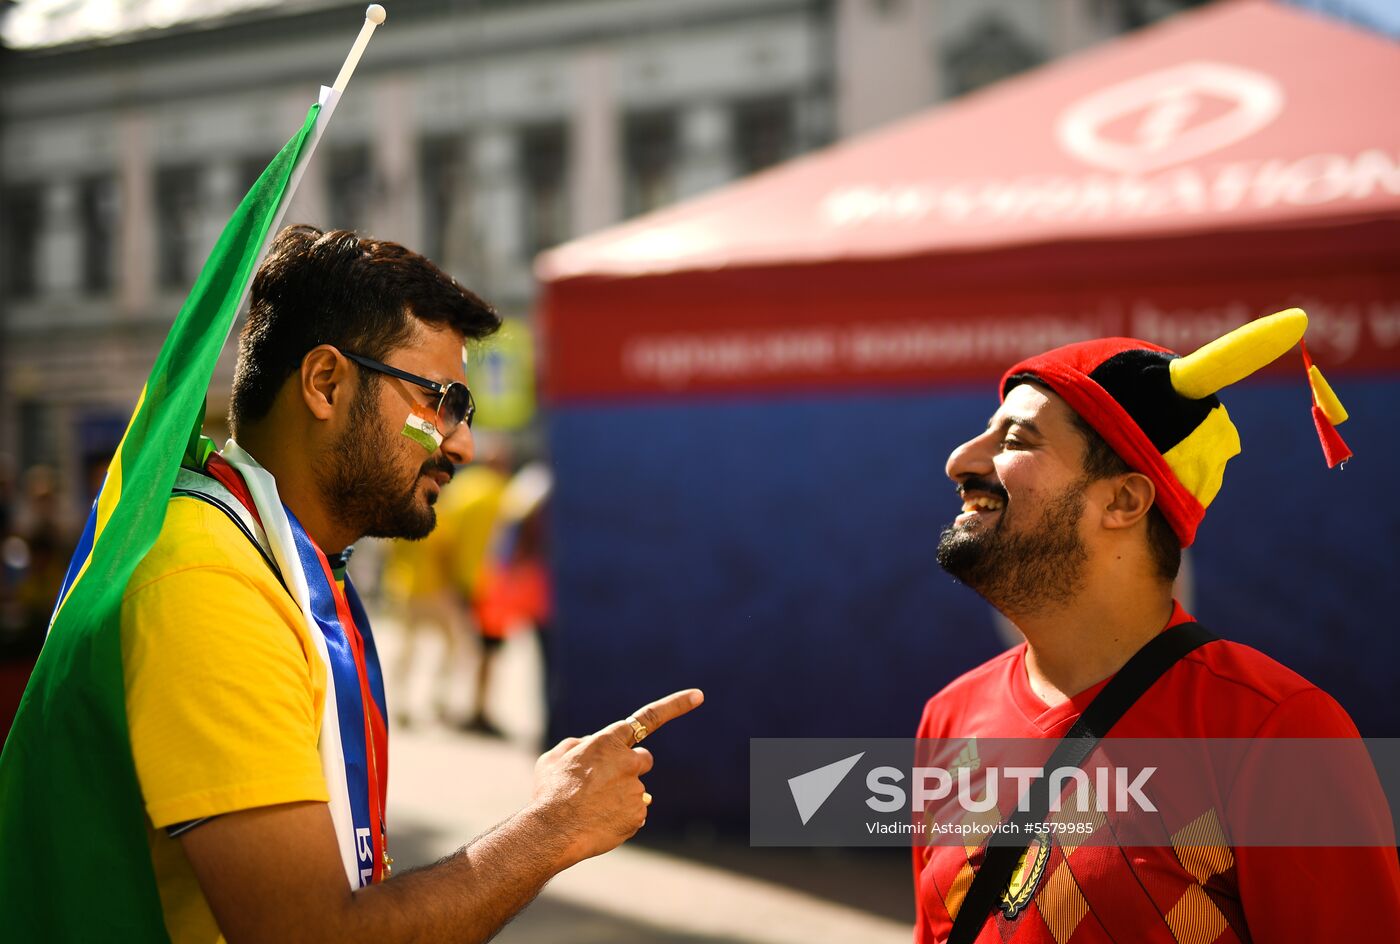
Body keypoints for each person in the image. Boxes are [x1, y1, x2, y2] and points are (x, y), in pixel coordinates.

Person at [118, 225, 703, 942]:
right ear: (325, 383)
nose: (460, 442)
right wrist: (553, 826)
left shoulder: (275, 556)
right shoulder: (210, 580)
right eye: (441, 401)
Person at [914, 310, 1400, 942]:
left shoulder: (1274, 731)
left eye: (1016, 439)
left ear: (1123, 500)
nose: (958, 460)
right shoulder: (949, 718)